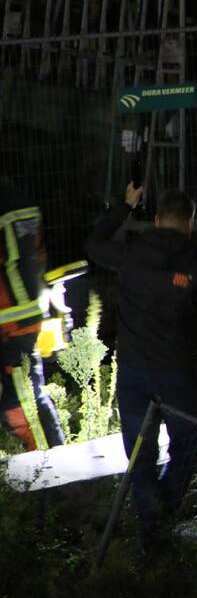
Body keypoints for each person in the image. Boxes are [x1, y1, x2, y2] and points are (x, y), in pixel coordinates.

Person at [84, 185, 197, 547]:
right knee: (188, 445)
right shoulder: (196, 266)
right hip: (177, 374)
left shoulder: (131, 253)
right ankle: (163, 519)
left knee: (140, 455)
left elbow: (93, 244)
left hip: (133, 374)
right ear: (190, 225)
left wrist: (124, 207)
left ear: (157, 220)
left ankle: (153, 525)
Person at [0, 179, 65, 451]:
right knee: (28, 395)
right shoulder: (19, 199)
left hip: (10, 319)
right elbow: (37, 255)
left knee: (20, 401)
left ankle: (47, 473)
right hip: (28, 314)